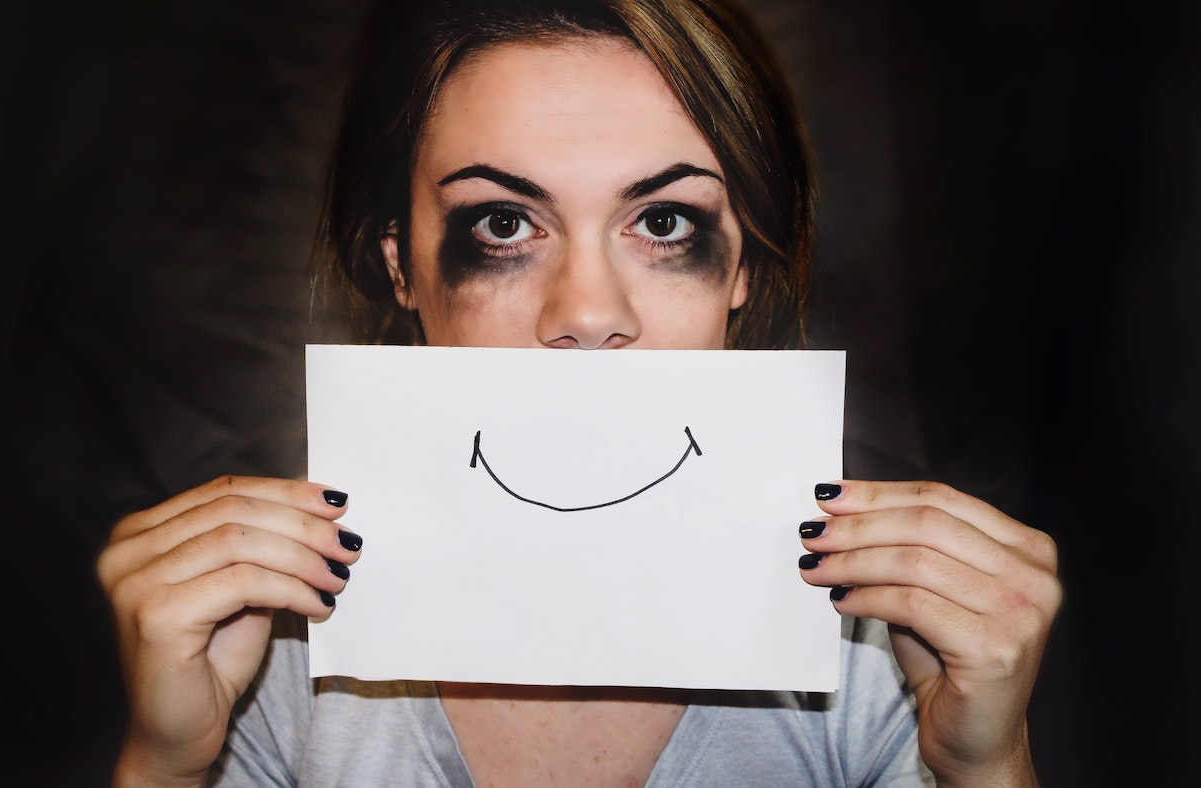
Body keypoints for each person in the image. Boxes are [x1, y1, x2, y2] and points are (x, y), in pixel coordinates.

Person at [97, 0, 1061, 785]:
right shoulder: (272, 641)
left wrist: (986, 767)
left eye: (664, 219)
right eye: (505, 224)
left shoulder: (877, 649)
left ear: (745, 274)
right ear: (402, 266)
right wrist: (166, 766)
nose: (588, 311)